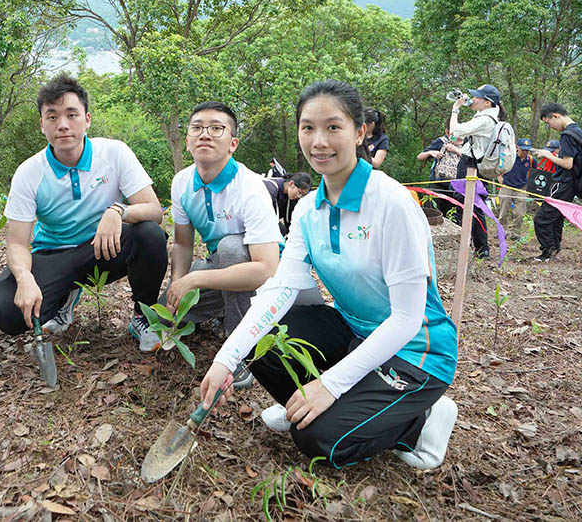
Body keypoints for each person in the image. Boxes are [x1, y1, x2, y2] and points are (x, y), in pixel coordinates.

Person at [199, 79, 458, 471]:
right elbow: (280, 290)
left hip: (417, 348)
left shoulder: (391, 204)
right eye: (308, 128)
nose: (319, 141)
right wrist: (225, 358)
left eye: (333, 127)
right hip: (352, 332)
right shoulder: (307, 211)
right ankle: (325, 400)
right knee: (263, 343)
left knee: (318, 439)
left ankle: (420, 421)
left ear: (360, 132)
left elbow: (407, 319)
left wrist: (330, 385)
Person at [0, 73, 168, 351]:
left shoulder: (114, 153)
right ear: (42, 125)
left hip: (102, 249)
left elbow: (154, 210)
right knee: (10, 315)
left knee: (150, 235)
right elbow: (16, 242)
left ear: (87, 119)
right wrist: (25, 279)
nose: (63, 125)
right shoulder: (30, 172)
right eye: (52, 117)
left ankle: (143, 315)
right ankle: (64, 297)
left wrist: (117, 211)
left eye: (72, 115)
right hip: (53, 254)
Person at [162, 102, 281, 351]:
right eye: (197, 128)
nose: (205, 134)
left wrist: (195, 279)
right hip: (220, 267)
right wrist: (178, 285)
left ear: (233, 144)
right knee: (164, 313)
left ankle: (241, 348)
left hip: (270, 278)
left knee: (231, 248)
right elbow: (183, 244)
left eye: (217, 128)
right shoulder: (182, 182)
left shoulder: (250, 187)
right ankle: (226, 311)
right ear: (187, 141)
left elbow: (266, 268)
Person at [449, 84, 506, 259]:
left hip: (471, 165)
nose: (472, 99)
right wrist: (469, 103)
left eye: (477, 97)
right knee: (475, 205)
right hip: (476, 164)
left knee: (464, 204)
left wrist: (455, 109)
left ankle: (469, 245)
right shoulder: (486, 116)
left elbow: (454, 130)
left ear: (487, 102)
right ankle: (481, 248)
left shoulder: (485, 120)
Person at [531, 103, 581, 262]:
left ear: (556, 116)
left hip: (564, 183)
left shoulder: (567, 135)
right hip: (572, 184)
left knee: (541, 218)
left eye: (548, 122)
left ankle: (547, 251)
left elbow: (568, 164)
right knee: (557, 216)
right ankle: (554, 248)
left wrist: (547, 155)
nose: (550, 127)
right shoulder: (577, 131)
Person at [417, 129, 464, 217]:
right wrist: (431, 153)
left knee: (453, 215)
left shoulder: (466, 144)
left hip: (456, 186)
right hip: (437, 183)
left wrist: (456, 150)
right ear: (447, 132)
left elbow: (471, 160)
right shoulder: (441, 141)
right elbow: (420, 156)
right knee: (431, 211)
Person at [496, 139, 535, 242]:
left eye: (527, 150)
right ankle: (502, 232)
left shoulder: (531, 160)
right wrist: (499, 176)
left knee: (519, 214)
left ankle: (515, 234)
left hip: (521, 189)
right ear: (517, 147)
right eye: (523, 150)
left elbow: (535, 173)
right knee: (503, 212)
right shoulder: (510, 157)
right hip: (507, 187)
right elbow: (499, 166)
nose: (525, 152)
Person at [263, 172, 313, 237]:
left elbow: (290, 220)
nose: (299, 196)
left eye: (302, 195)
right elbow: (264, 217)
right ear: (291, 184)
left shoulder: (291, 196)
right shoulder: (270, 189)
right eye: (299, 192)